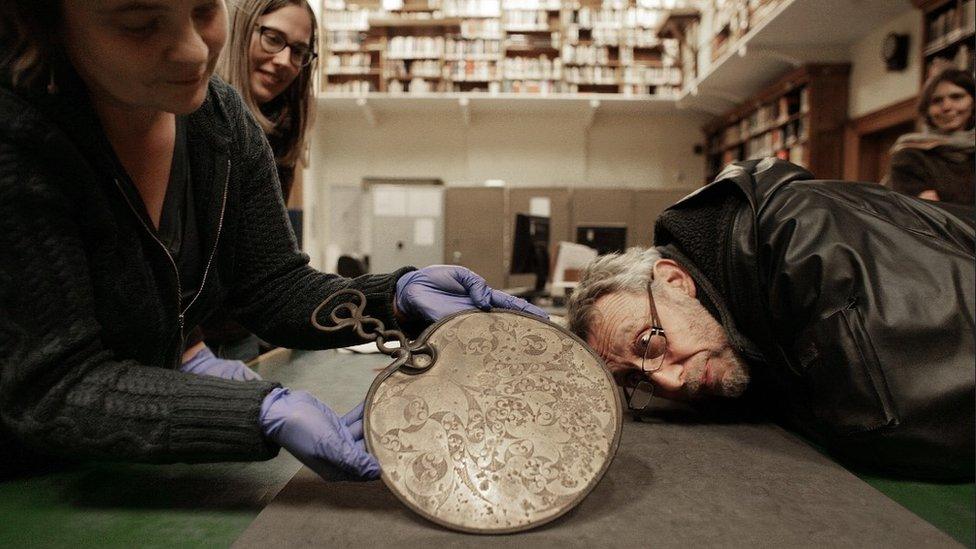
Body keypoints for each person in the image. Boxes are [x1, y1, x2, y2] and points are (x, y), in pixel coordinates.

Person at [0, 0, 545, 480]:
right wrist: (256, 411)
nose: (193, 51)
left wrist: (393, 297)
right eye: (141, 23)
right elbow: (54, 387)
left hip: (133, 469)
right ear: (45, 20)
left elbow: (274, 287)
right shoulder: (18, 138)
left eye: (204, 11)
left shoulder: (220, 121)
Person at [567, 158, 975, 480]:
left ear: (674, 280)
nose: (669, 382)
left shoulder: (802, 240)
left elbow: (899, 425)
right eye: (638, 381)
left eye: (649, 343)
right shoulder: (739, 302)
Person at [184, 0, 320, 364]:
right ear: (238, 28)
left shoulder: (282, 131)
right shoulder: (189, 113)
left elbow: (269, 273)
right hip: (182, 346)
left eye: (300, 51)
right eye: (273, 38)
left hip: (240, 335)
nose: (284, 61)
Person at [886, 69, 975, 206]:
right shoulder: (909, 156)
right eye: (937, 101)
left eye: (957, 97)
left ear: (973, 103)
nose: (946, 106)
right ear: (926, 109)